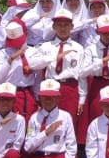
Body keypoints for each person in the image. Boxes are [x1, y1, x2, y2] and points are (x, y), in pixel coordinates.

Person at [19, 79, 77, 158]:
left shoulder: (65, 116)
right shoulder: (35, 118)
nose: (48, 100)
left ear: (58, 98)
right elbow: (28, 147)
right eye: (45, 97)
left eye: (52, 97)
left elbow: (71, 145)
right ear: (39, 98)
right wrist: (45, 133)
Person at [31, 8, 87, 137]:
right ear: (54, 27)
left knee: (69, 124)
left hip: (70, 88)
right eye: (59, 25)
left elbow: (81, 75)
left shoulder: (78, 48)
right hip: (50, 88)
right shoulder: (46, 47)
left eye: (66, 25)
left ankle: (69, 149)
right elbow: (33, 65)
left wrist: (82, 99)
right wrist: (54, 57)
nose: (63, 28)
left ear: (72, 27)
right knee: (49, 123)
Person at [79, 14, 109, 143]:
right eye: (104, 32)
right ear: (97, 32)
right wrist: (102, 61)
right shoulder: (90, 50)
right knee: (97, 118)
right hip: (97, 85)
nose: (108, 35)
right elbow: (82, 72)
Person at [0, 22, 38, 121]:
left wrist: (37, 98)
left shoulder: (33, 51)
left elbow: (37, 77)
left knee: (27, 123)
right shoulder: (3, 53)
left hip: (27, 93)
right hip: (7, 93)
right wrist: (11, 59)